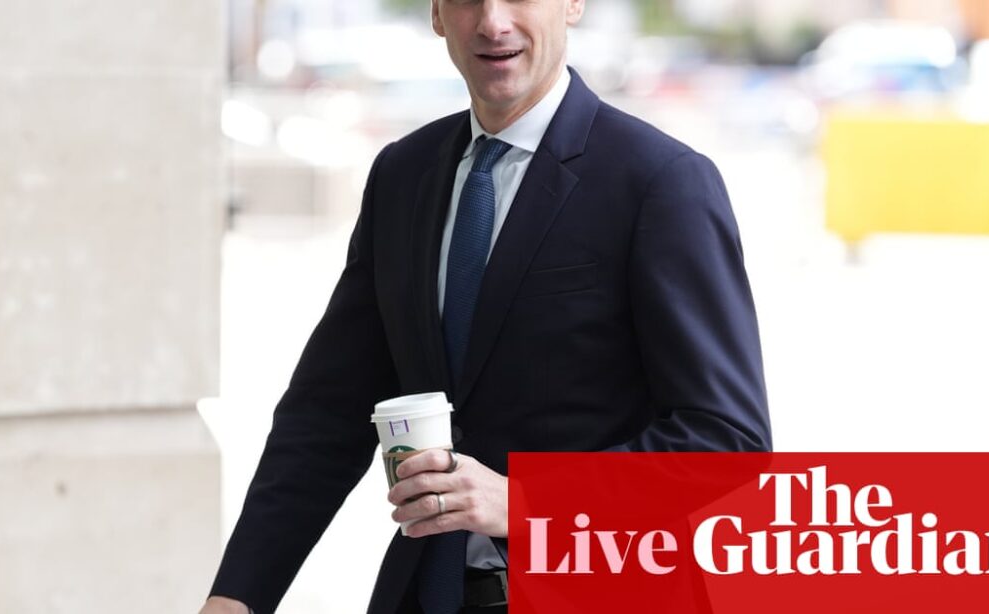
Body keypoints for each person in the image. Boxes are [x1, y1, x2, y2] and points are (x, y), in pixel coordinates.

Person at [201, 0, 771, 612]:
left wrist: (528, 502)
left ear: (573, 4)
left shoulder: (660, 181)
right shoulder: (402, 175)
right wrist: (237, 596)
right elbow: (326, 413)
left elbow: (729, 447)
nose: (493, 22)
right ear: (437, 14)